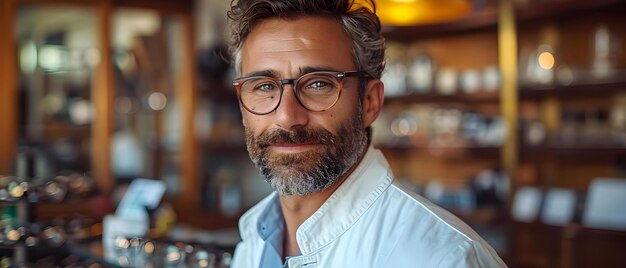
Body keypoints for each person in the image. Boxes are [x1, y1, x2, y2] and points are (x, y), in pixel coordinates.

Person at [226, 0, 507, 267]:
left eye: (318, 84)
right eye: (264, 86)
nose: (287, 117)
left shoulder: (445, 259)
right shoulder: (254, 239)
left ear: (369, 102)